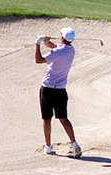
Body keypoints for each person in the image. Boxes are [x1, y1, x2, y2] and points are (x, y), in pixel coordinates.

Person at [34, 26, 81, 157]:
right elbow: (56, 48)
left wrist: (37, 44)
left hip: (47, 88)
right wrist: (46, 42)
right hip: (60, 90)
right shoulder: (70, 50)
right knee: (63, 118)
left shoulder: (58, 51)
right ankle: (74, 144)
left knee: (47, 118)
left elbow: (38, 60)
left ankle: (48, 146)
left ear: (62, 37)